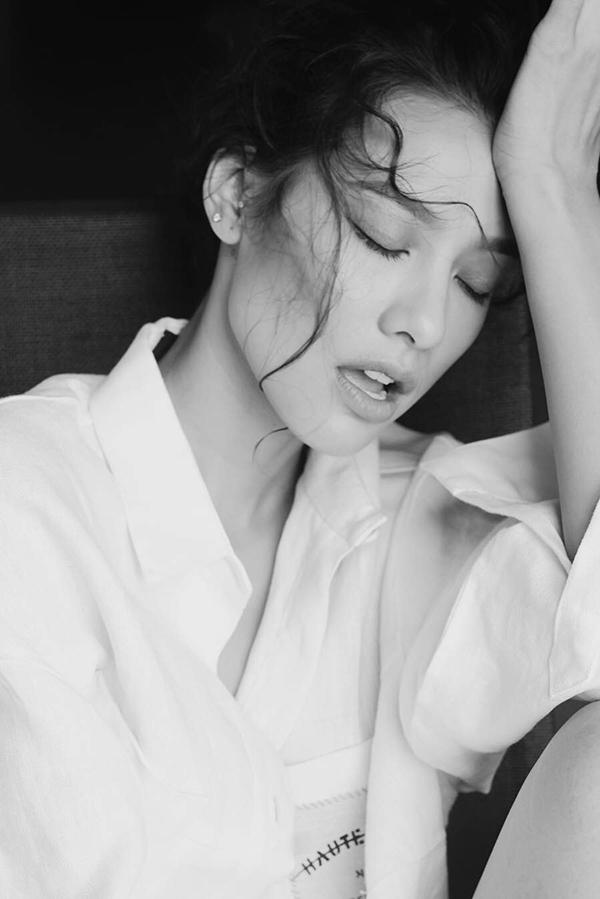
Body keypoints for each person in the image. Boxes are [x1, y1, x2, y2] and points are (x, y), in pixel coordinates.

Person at [2, 0, 600, 896]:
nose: (426, 323)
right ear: (238, 194)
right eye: (383, 236)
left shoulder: (423, 517)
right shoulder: (25, 504)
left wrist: (554, 190)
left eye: (477, 282)